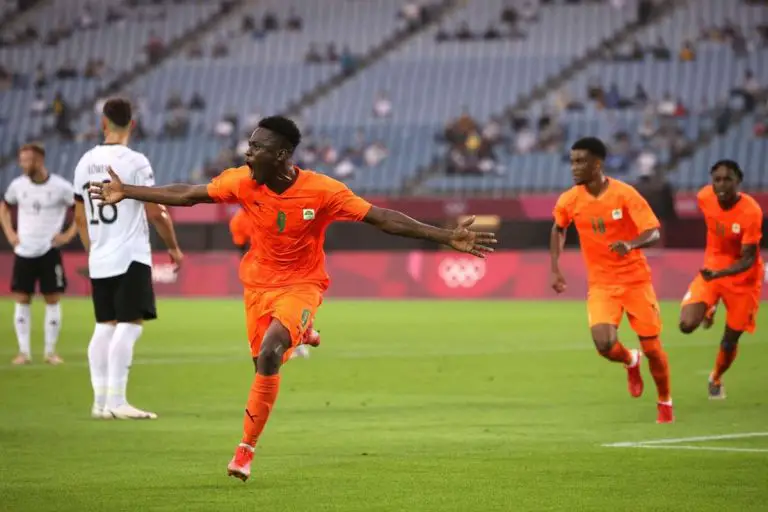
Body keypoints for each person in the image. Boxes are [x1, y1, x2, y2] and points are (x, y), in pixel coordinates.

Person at [88, 115, 496, 481]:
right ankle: (303, 333)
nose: (247, 153)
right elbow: (189, 194)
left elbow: (382, 218)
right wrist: (129, 191)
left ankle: (245, 449)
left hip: (302, 284)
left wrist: (444, 236)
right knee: (263, 365)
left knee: (270, 353)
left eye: (257, 147)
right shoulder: (242, 181)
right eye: (248, 145)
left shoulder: (322, 190)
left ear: (281, 155)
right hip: (257, 286)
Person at [72, 98, 183, 420]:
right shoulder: (135, 161)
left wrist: (93, 250)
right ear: (132, 124)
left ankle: (100, 403)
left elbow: (79, 217)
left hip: (100, 255)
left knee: (104, 326)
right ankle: (117, 401)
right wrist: (173, 247)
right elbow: (156, 211)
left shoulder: (84, 162)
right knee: (130, 325)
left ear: (103, 124)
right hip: (130, 253)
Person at [549, 137, 673, 424]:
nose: (574, 167)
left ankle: (665, 400)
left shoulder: (625, 194)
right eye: (572, 161)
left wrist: (631, 244)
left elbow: (653, 232)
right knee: (604, 344)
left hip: (636, 282)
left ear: (597, 164)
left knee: (653, 349)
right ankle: (630, 359)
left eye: (581, 162)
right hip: (602, 285)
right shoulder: (570, 199)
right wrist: (555, 267)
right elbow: (558, 229)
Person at [679, 160, 763, 399]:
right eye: (717, 180)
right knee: (686, 325)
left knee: (729, 341)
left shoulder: (751, 212)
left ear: (739, 182)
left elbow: (748, 259)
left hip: (744, 280)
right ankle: (709, 307)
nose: (722, 184)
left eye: (728, 179)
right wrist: (715, 273)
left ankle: (715, 377)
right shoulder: (704, 197)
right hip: (713, 268)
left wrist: (720, 274)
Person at [0, 143, 78, 365]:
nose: (23, 164)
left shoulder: (61, 187)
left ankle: (50, 352)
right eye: (21, 160)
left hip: (48, 251)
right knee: (22, 299)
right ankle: (23, 352)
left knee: (52, 299)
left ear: (39, 160)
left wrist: (67, 235)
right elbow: (4, 208)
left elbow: (81, 210)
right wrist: (10, 233)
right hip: (24, 251)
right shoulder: (17, 186)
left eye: (27, 160)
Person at [229, 206, 319, 359]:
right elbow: (241, 247)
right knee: (265, 308)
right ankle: (273, 341)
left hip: (284, 264)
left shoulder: (272, 210)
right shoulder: (238, 221)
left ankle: (301, 336)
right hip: (259, 270)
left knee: (292, 302)